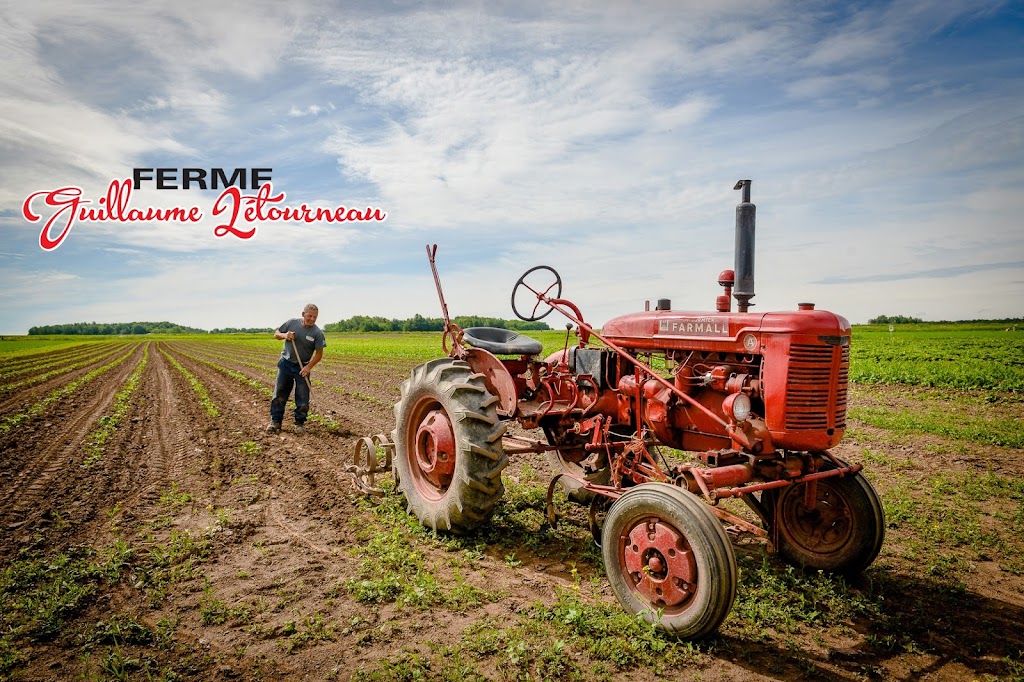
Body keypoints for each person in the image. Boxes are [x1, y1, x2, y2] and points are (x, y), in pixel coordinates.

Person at [267, 304, 326, 434]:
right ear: (303, 314)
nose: (312, 319)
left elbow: (319, 354)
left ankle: (299, 423)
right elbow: (276, 333)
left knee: (303, 397)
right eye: (309, 315)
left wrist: (308, 367)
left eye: (315, 317)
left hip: (302, 367)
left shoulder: (317, 333)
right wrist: (285, 335)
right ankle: (275, 422)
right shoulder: (292, 323)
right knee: (280, 394)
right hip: (286, 364)